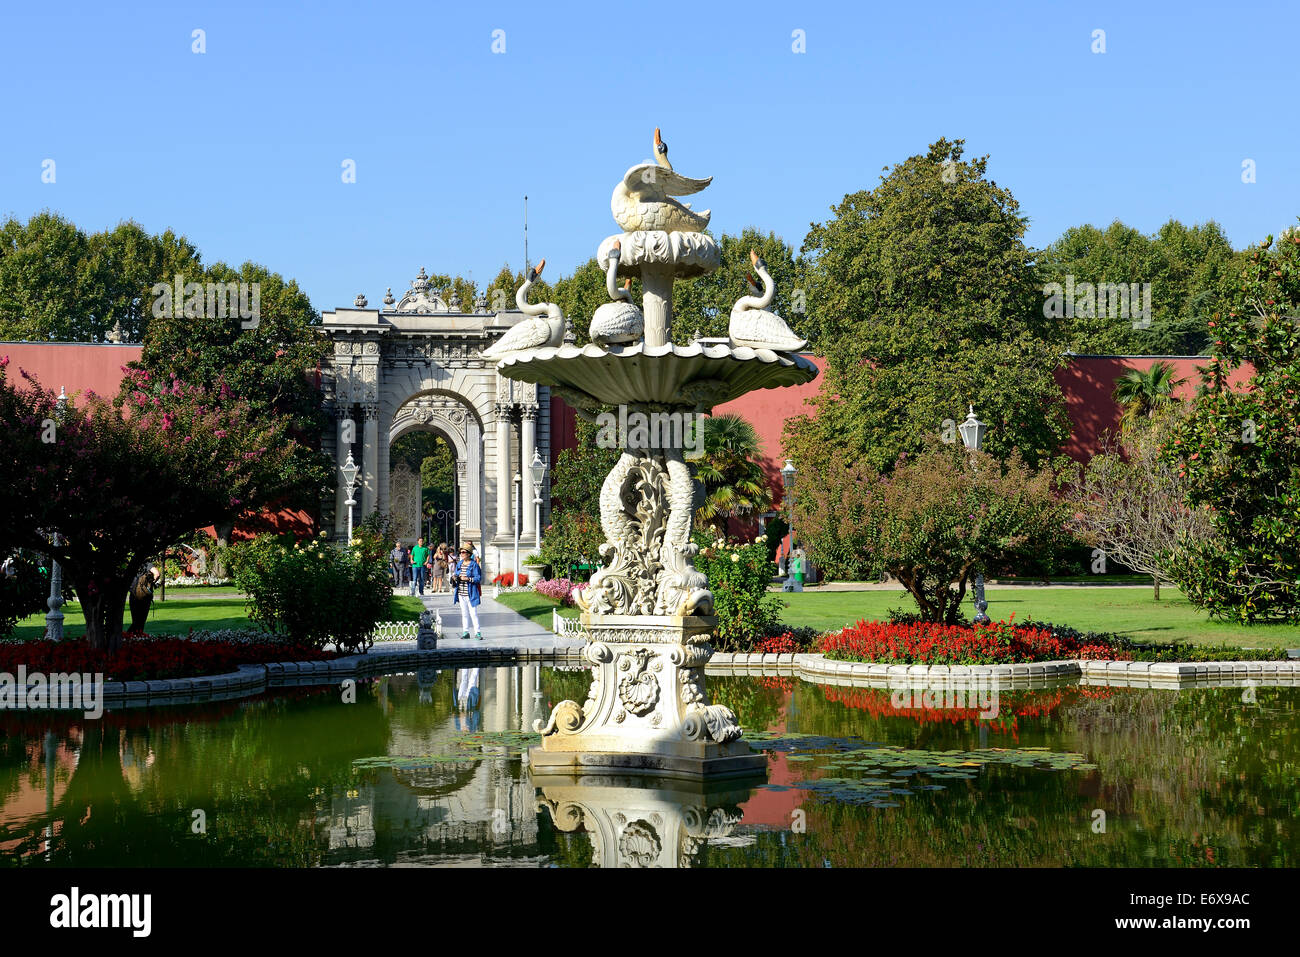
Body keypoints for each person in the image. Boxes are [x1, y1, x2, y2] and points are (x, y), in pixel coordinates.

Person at [450, 543, 483, 639]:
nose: (462, 554)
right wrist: (455, 577)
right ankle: (466, 632)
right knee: (464, 614)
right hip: (461, 592)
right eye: (461, 552)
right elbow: (456, 573)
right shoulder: (460, 563)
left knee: (473, 613)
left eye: (463, 552)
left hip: (471, 593)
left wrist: (468, 579)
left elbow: (478, 578)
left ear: (469, 554)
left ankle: (478, 632)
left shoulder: (474, 565)